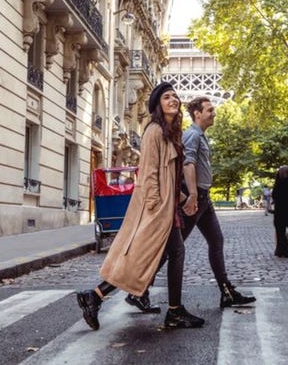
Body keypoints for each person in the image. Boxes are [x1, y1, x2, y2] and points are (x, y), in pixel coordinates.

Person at [75, 82, 204, 330]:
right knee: (152, 256)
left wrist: (181, 199)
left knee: (159, 256)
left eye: (175, 97)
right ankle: (172, 311)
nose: (173, 100)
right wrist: (157, 207)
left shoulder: (169, 133)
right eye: (167, 97)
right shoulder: (154, 131)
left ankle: (97, 296)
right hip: (156, 208)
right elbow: (149, 173)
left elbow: (169, 177)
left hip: (166, 207)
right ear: (157, 104)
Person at [179, 96, 256, 307]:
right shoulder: (192, 135)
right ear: (197, 113)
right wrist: (192, 194)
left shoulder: (201, 136)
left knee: (216, 240)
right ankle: (140, 290)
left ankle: (226, 291)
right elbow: (188, 164)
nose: (214, 113)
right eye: (210, 110)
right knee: (175, 247)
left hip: (204, 198)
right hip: (196, 198)